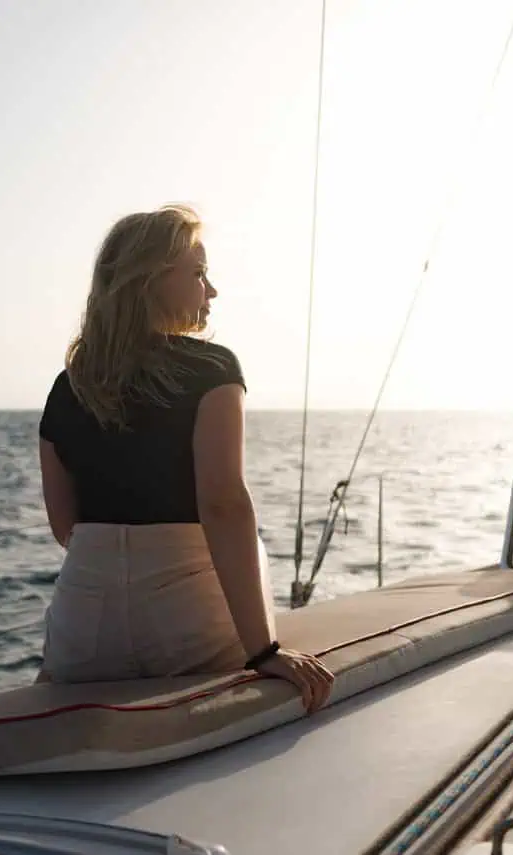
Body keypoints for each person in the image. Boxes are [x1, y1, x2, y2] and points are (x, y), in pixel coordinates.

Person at [35, 203, 335, 714]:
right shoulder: (212, 368)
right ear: (149, 281)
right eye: (198, 274)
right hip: (188, 616)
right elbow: (223, 505)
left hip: (84, 623)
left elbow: (66, 527)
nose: (211, 291)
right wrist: (265, 651)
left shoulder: (70, 385)